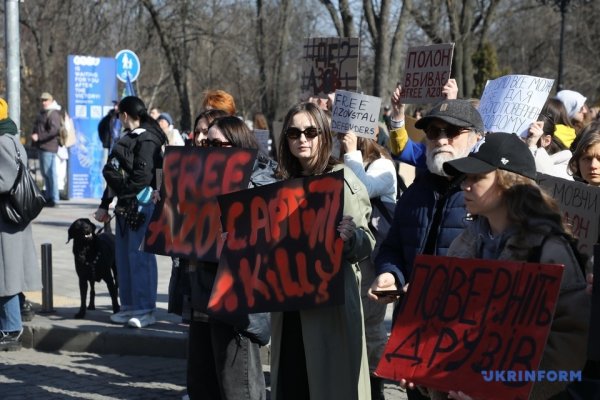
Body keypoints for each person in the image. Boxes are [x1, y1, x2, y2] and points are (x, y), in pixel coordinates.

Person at [438, 132, 590, 400]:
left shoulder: (548, 250)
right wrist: (428, 374)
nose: (465, 185)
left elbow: (567, 345)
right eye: (465, 178)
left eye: (477, 178)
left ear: (509, 183)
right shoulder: (463, 243)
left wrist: (499, 392)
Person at [369, 98, 483, 400]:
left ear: (477, 138)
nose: (441, 139)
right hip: (416, 335)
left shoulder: (488, 194)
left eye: (452, 131)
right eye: (433, 132)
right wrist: (389, 275)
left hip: (466, 341)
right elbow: (393, 247)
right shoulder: (415, 192)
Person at [271, 102, 375, 400]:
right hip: (290, 307)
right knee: (292, 385)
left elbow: (367, 241)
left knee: (328, 386)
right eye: (293, 132)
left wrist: (350, 237)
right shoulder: (281, 185)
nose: (302, 138)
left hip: (329, 311)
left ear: (324, 135)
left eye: (310, 131)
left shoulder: (342, 179)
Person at [186, 115, 277, 400]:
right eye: (202, 139)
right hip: (205, 296)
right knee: (204, 386)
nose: (205, 145)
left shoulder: (259, 182)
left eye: (215, 142)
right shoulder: (200, 180)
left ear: (237, 144)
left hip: (239, 306)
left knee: (238, 389)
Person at [94, 96, 167, 329]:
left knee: (140, 258)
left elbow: (142, 176)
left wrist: (118, 195)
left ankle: (145, 308)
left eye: (119, 115)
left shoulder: (148, 138)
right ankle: (129, 306)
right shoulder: (133, 137)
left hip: (142, 204)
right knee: (124, 258)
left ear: (125, 115)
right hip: (127, 205)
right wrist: (106, 204)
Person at [339, 130, 397, 399]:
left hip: (376, 261)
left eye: (347, 133)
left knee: (371, 326)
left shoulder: (383, 165)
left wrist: (351, 152)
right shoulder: (342, 160)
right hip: (352, 256)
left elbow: (361, 188)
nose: (341, 137)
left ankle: (377, 386)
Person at [0, 98, 42, 351]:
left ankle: (11, 329)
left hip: (6, 220)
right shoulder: (11, 138)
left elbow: (4, 180)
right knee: (10, 272)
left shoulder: (3, 141)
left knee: (6, 275)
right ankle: (18, 314)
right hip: (13, 217)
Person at [32, 91, 62, 207]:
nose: (43, 102)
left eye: (46, 100)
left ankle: (55, 198)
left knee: (50, 173)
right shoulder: (43, 112)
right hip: (42, 146)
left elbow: (54, 130)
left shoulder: (53, 113)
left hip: (49, 146)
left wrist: (39, 136)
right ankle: (49, 197)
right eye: (42, 100)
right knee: (45, 173)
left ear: (51, 100)